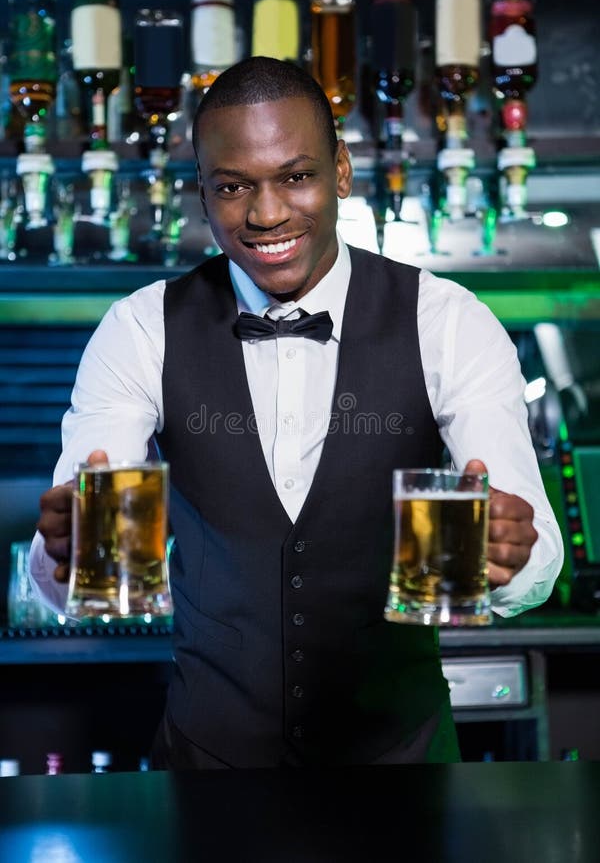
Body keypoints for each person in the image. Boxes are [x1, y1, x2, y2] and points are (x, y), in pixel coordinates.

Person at [30, 55, 563, 769]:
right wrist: (64, 554)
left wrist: (511, 554)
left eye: (295, 176)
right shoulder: (140, 329)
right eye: (233, 187)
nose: (267, 214)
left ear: (341, 172)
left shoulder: (448, 321)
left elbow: (536, 557)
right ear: (202, 193)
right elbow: (74, 557)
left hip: (402, 771)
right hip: (209, 771)